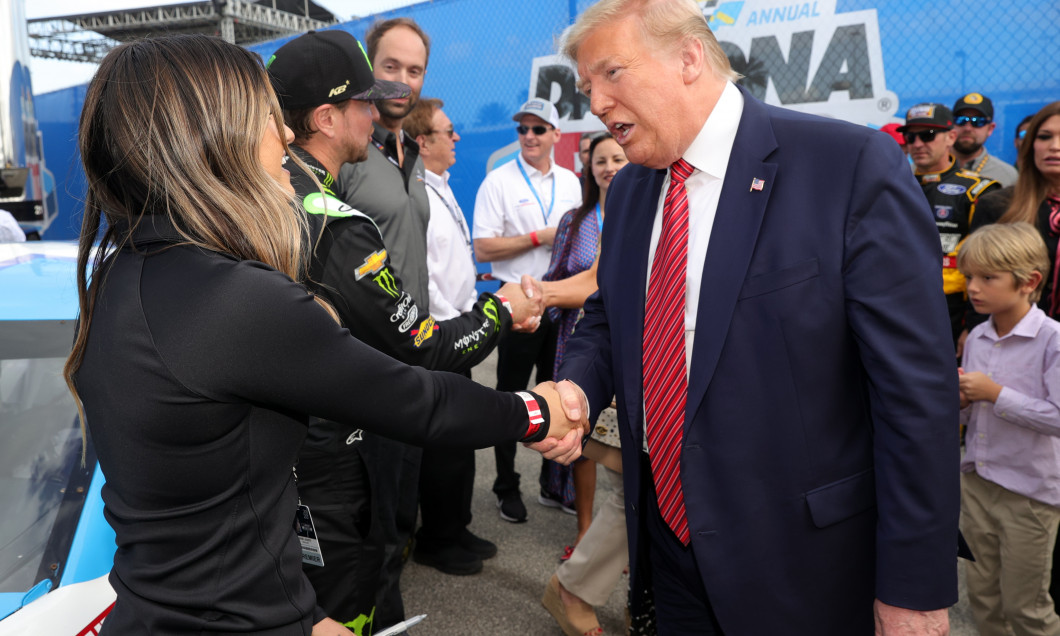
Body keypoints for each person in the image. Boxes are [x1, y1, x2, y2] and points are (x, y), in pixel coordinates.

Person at [64, 34, 586, 635]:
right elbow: (415, 397)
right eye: (265, 118)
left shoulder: (121, 272)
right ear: (211, 139)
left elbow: (209, 513)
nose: (285, 137)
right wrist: (536, 413)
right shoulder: (234, 295)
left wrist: (304, 616)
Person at [558, 0, 961, 633]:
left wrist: (913, 589)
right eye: (587, 87)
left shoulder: (847, 167)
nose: (598, 102)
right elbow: (612, 317)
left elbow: (916, 394)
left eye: (612, 73)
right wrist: (575, 385)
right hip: (668, 549)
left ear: (689, 57)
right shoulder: (634, 187)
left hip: (806, 568)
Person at [266, 30, 543, 627]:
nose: (378, 107)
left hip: (294, 441)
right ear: (325, 118)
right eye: (363, 101)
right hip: (336, 446)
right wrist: (504, 310)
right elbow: (425, 345)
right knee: (351, 595)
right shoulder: (329, 218)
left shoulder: (264, 191)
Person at [333, 18, 434, 626]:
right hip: (363, 362)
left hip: (414, 353)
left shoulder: (409, 152)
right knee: (366, 509)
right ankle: (370, 612)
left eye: (414, 70)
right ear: (369, 67)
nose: (401, 81)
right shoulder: (347, 154)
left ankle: (386, 607)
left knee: (400, 501)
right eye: (390, 66)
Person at [402, 97, 510, 575]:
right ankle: (437, 539)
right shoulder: (417, 195)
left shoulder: (440, 186)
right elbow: (422, 273)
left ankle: (456, 526)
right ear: (423, 142)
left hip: (460, 325)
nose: (457, 137)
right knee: (443, 446)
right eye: (448, 131)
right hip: (443, 335)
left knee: (460, 441)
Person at [472, 98, 582, 523]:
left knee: (560, 397)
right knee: (510, 400)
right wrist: (539, 236)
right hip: (518, 312)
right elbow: (484, 247)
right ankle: (505, 486)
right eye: (523, 130)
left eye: (539, 129)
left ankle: (552, 485)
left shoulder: (572, 182)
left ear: (556, 134)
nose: (530, 137)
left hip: (560, 310)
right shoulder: (499, 182)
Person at [539, 133, 632, 636]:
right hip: (604, 361)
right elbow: (599, 289)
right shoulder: (593, 214)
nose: (613, 166)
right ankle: (577, 585)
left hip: (671, 377)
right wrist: (541, 296)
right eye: (604, 159)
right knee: (626, 489)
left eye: (618, 157)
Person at [956, 222, 1060, 636]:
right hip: (978, 483)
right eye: (968, 277)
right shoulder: (978, 336)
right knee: (983, 598)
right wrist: (962, 404)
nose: (973, 288)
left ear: (1028, 281)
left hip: (1029, 494)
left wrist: (995, 393)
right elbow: (973, 415)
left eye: (987, 277)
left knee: (1027, 607)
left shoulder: (1052, 340)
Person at [899, 102, 1000, 350]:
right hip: (902, 303)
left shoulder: (978, 190)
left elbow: (990, 263)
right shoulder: (893, 188)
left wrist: (976, 324)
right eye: (911, 137)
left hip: (954, 307)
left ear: (951, 137)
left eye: (928, 135)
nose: (918, 144)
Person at [951, 93, 1019, 187]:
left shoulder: (1008, 175)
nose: (968, 128)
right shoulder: (931, 165)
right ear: (951, 125)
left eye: (978, 121)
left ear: (990, 129)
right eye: (960, 120)